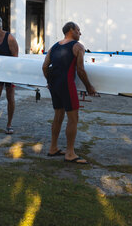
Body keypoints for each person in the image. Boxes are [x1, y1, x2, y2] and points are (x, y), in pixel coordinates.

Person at [42, 21, 98, 164]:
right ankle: (70, 153)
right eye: (78, 30)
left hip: (55, 85)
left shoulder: (54, 47)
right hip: (67, 85)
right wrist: (89, 87)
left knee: (58, 116)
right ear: (71, 30)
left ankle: (53, 148)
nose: (80, 33)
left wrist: (49, 81)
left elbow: (45, 66)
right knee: (73, 118)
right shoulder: (78, 46)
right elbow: (80, 70)